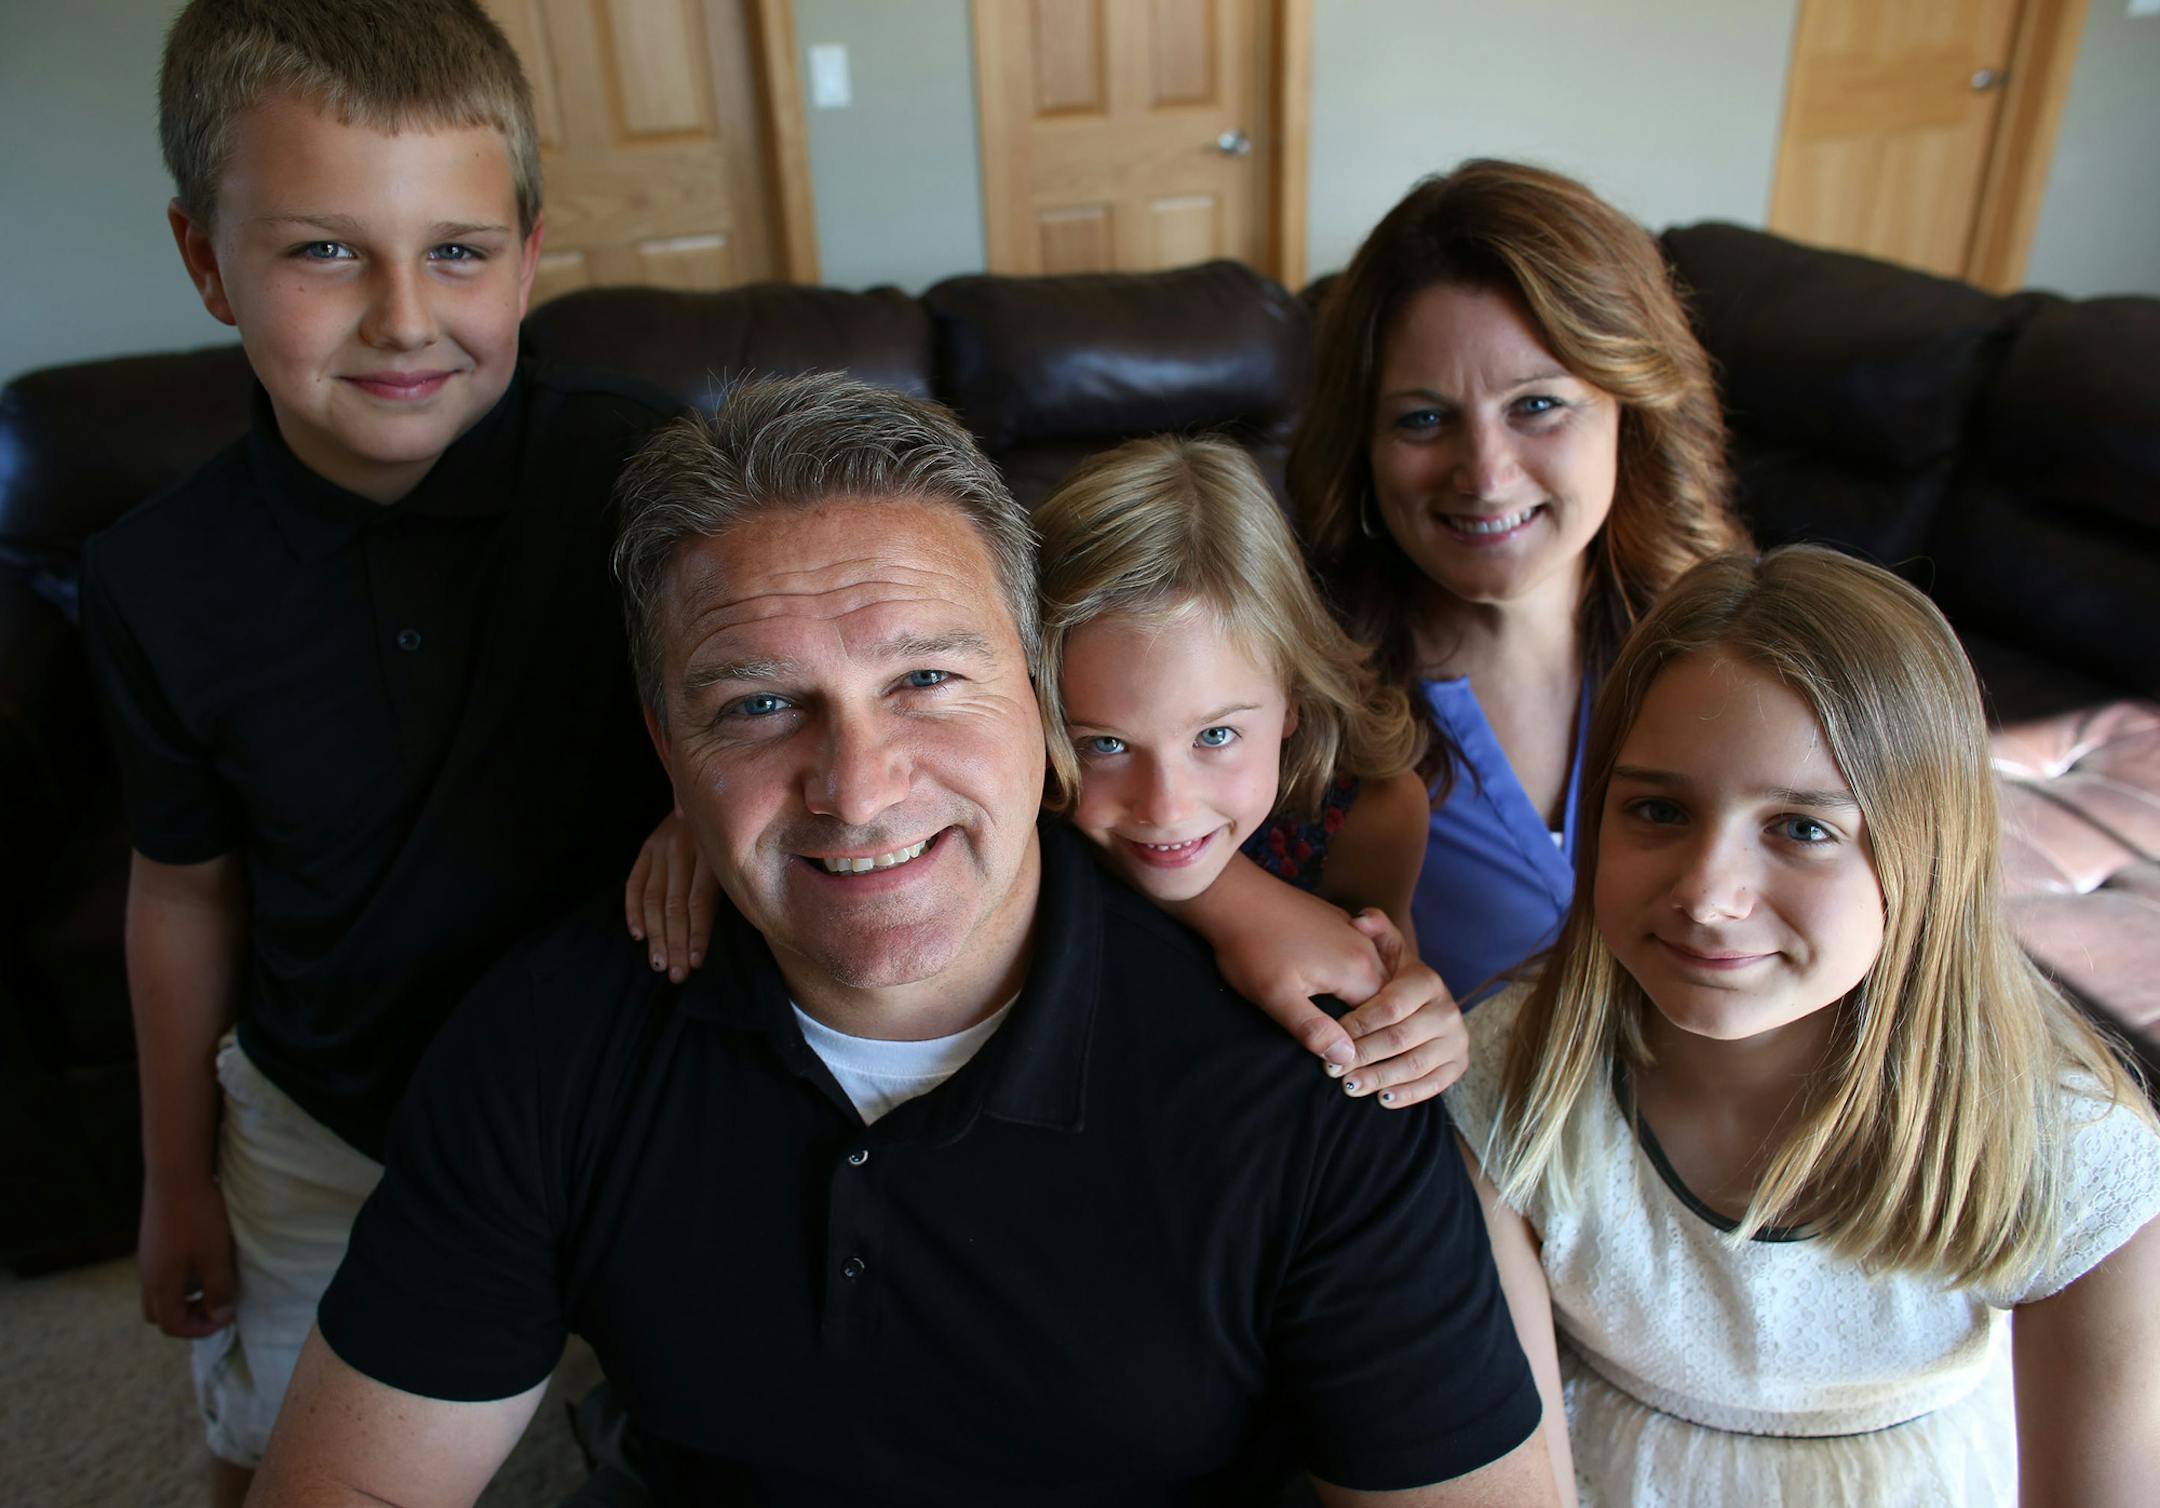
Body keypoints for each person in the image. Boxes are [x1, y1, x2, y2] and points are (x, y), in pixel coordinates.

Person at [251, 373, 1559, 1506]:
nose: (859, 788)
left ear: (1036, 695)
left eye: (926, 680)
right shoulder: (546, 1046)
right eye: (759, 705)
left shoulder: (1321, 1065)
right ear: (667, 748)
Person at [77, 3, 680, 1499]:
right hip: (326, 1122)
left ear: (528, 256)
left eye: (457, 251)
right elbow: (182, 892)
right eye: (326, 251)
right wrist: (172, 1178)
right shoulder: (156, 579)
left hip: (639, 1086)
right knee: (277, 1449)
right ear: (206, 261)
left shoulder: (648, 472)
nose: (406, 317)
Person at [1444, 545, 2160, 1505]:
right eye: (1658, 810)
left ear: (1927, 854)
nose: (1708, 895)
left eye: (1802, 828)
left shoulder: (2078, 1153)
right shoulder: (1500, 1090)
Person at [1289, 159, 1748, 1003]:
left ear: (1631, 409)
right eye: (1424, 419)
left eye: (1536, 406)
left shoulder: (1735, 654)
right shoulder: (1297, 703)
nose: (1485, 474)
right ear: (1362, 444)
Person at [1033, 434, 1464, 1107]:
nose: (1165, 808)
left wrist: (1420, 1029)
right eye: (1105, 745)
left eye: (1215, 735)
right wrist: (1237, 903)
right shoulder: (1028, 800)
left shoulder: (1372, 815)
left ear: (1292, 697)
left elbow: (1376, 983)